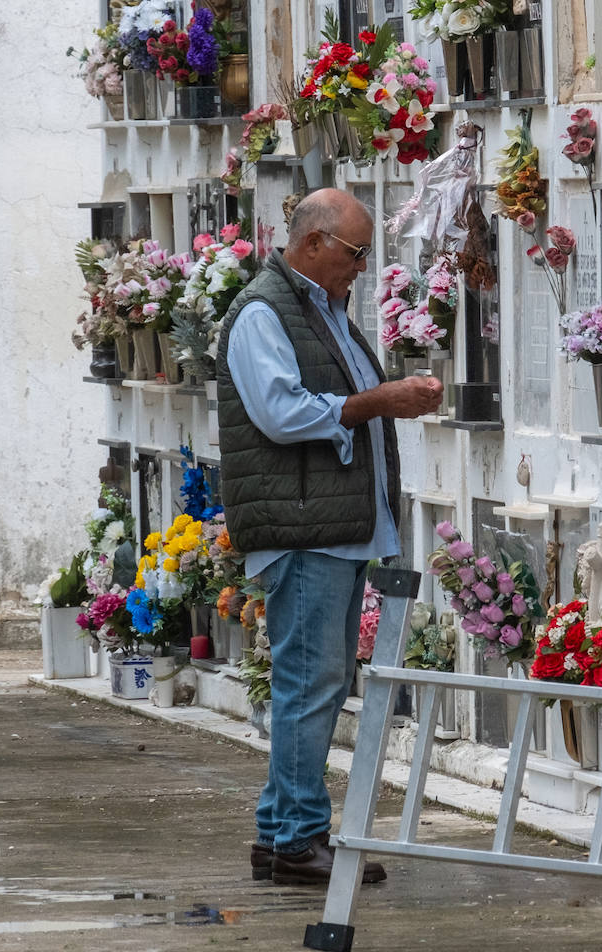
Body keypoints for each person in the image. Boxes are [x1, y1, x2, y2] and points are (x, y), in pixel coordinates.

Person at [216, 188, 442, 886]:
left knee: (315, 682)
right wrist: (381, 401)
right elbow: (280, 412)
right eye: (355, 254)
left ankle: (277, 831)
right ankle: (298, 838)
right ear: (312, 244)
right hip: (305, 529)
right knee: (309, 686)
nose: (362, 269)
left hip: (334, 526)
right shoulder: (263, 311)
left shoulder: (319, 309)